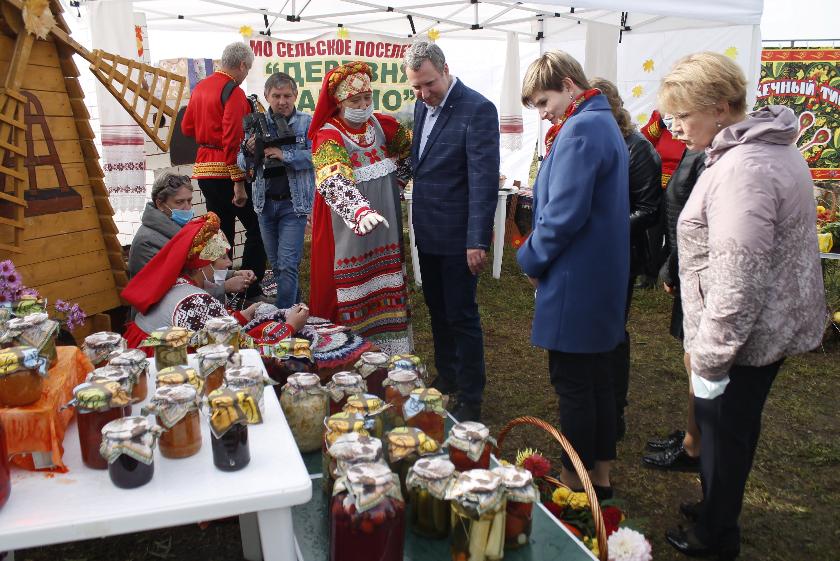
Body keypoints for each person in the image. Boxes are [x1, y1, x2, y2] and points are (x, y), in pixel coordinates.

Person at [657, 52, 826, 559]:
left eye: (683, 116)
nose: (676, 128)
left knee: (724, 433)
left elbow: (739, 276)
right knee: (731, 431)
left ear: (720, 108)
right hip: (762, 326)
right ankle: (716, 508)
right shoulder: (759, 149)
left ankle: (716, 536)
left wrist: (710, 355)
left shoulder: (744, 169)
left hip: (742, 337)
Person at [518, 51, 629, 499]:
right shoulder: (601, 122)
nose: (544, 113)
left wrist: (530, 259)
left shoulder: (582, 129)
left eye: (544, 102)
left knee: (575, 386)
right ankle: (598, 476)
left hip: (576, 279)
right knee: (597, 380)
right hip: (597, 276)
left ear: (567, 85)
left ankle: (573, 482)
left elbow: (563, 214)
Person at [404, 41, 499, 423]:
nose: (424, 94)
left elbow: (483, 180)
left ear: (445, 69)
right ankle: (448, 374)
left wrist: (477, 240)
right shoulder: (420, 106)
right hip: (428, 230)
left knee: (461, 314)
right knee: (437, 308)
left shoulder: (477, 109)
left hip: (459, 237)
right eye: (416, 87)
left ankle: (472, 396)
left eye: (429, 84)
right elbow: (422, 162)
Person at [308, 61, 413, 355]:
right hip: (348, 231)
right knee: (353, 285)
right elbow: (333, 179)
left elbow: (412, 152)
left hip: (385, 227)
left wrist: (397, 182)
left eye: (367, 98)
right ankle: (351, 354)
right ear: (339, 102)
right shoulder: (328, 136)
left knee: (385, 281)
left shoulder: (383, 126)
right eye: (355, 100)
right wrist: (359, 211)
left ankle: (391, 352)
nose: (364, 105)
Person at [590, 78, 662, 441]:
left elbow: (648, 209)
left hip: (620, 255)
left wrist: (601, 230)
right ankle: (593, 401)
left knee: (612, 332)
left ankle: (614, 410)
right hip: (591, 255)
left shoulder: (638, 148)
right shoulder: (593, 142)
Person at [121, 212, 308, 349]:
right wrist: (290, 327)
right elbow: (243, 349)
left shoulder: (176, 283)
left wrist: (244, 315)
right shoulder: (195, 301)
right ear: (201, 265)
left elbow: (207, 326)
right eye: (221, 258)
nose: (228, 264)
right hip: (162, 367)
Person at [181, 41, 266, 298]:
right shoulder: (234, 92)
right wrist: (238, 182)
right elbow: (232, 139)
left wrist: (208, 134)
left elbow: (187, 128)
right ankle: (248, 285)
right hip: (227, 171)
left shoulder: (201, 87)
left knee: (220, 231)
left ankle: (219, 288)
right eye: (247, 69)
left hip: (204, 169)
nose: (246, 74)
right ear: (241, 65)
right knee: (258, 227)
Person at [642, 147, 707, 472]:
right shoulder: (696, 149)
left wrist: (673, 266)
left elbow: (696, 221)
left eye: (682, 121)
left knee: (698, 360)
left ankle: (695, 445)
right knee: (691, 356)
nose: (675, 126)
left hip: (697, 268)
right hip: (687, 265)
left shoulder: (709, 154)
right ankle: (693, 436)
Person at [240, 72, 315, 309]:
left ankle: (283, 319)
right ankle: (296, 310)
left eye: (287, 96)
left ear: (295, 95)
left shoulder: (307, 122)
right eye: (276, 96)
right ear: (267, 96)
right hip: (264, 204)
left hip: (293, 204)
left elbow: (318, 155)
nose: (282, 101)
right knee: (277, 266)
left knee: (287, 264)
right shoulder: (255, 123)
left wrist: (285, 155)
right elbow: (241, 163)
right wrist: (249, 151)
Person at [127, 172, 255, 302]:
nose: (187, 208)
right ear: (160, 204)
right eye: (179, 202)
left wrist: (232, 274)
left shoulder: (180, 227)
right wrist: (223, 288)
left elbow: (200, 270)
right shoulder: (146, 242)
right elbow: (170, 295)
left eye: (189, 201)